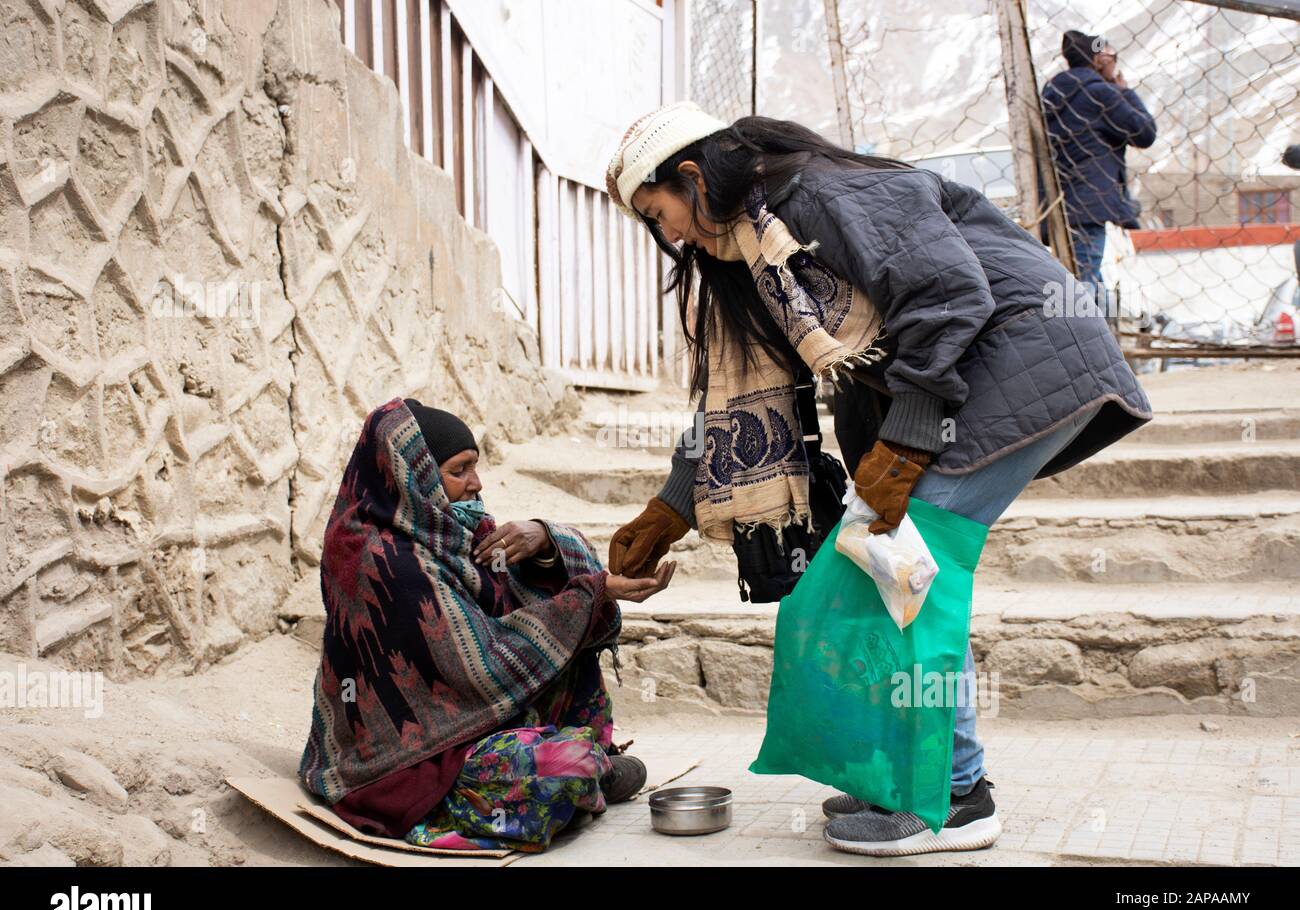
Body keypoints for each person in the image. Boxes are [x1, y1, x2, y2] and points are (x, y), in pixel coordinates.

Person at [604, 101, 1153, 856]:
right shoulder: (748, 254)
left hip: (1019, 354)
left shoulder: (819, 195)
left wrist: (906, 445)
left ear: (692, 176)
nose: (664, 234)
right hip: (965, 382)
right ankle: (911, 778)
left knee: (903, 571)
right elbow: (734, 404)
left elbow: (949, 293)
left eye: (657, 209)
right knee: (881, 572)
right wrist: (671, 508)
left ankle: (955, 798)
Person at [298, 397, 675, 853]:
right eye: (460, 469)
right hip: (403, 760)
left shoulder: (442, 530)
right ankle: (589, 770)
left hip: (470, 718)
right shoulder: (378, 557)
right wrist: (596, 592)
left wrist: (542, 537)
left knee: (571, 652)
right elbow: (481, 666)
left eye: (475, 466)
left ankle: (589, 768)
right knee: (561, 763)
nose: (476, 483)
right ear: (412, 474)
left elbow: (518, 593)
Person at [1042, 30, 1157, 328]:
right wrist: (1124, 91)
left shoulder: (1051, 91)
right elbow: (1144, 133)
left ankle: (1108, 342)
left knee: (1086, 274)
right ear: (1098, 59)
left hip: (1058, 200)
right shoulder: (1100, 92)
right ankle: (1094, 347)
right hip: (1090, 201)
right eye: (1110, 57)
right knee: (1085, 282)